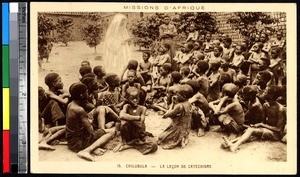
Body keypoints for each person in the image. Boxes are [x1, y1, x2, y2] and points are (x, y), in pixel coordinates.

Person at [222, 85, 286, 152]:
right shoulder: (265, 105)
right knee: (250, 133)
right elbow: (263, 122)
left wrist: (260, 125)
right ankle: (231, 142)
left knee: (251, 130)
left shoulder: (280, 109)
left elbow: (279, 130)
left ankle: (235, 145)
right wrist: (258, 125)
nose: (263, 93)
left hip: (276, 134)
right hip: (267, 129)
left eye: (265, 92)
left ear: (271, 96)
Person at [66, 83, 115, 161]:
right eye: (86, 92)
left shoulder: (70, 105)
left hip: (70, 140)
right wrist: (91, 121)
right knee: (111, 132)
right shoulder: (79, 110)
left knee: (104, 130)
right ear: (82, 95)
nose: (88, 93)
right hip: (78, 143)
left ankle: (93, 147)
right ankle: (87, 150)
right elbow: (91, 131)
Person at [113, 87, 158, 154]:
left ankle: (129, 145)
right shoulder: (127, 106)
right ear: (127, 99)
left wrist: (129, 118)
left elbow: (140, 124)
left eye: (137, 98)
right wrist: (137, 118)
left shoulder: (143, 108)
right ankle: (123, 142)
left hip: (139, 134)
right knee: (123, 122)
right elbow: (122, 115)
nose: (135, 100)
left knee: (154, 145)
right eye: (132, 99)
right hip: (128, 135)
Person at [158, 84, 194, 149]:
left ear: (184, 97)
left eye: (177, 95)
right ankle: (185, 137)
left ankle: (180, 139)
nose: (176, 96)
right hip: (186, 126)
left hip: (178, 127)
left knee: (161, 138)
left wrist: (165, 115)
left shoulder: (179, 106)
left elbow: (171, 113)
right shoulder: (188, 103)